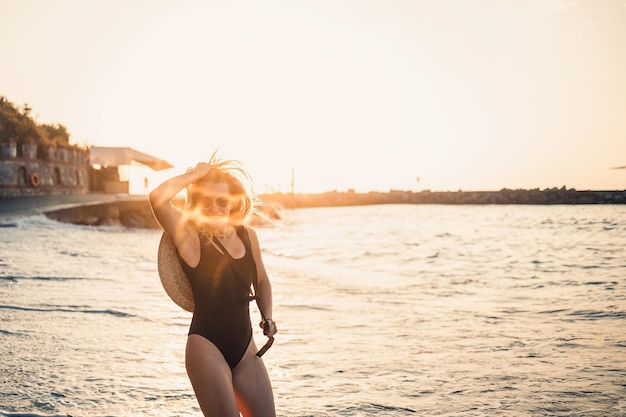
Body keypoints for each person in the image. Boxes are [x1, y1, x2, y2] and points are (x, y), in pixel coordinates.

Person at [149, 153, 277, 417]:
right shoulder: (190, 239)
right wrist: (195, 176)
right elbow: (158, 198)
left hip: (246, 349)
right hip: (206, 347)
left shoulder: (248, 235)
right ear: (197, 204)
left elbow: (261, 280)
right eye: (207, 201)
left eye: (222, 201)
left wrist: (268, 317)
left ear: (233, 204)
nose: (216, 207)